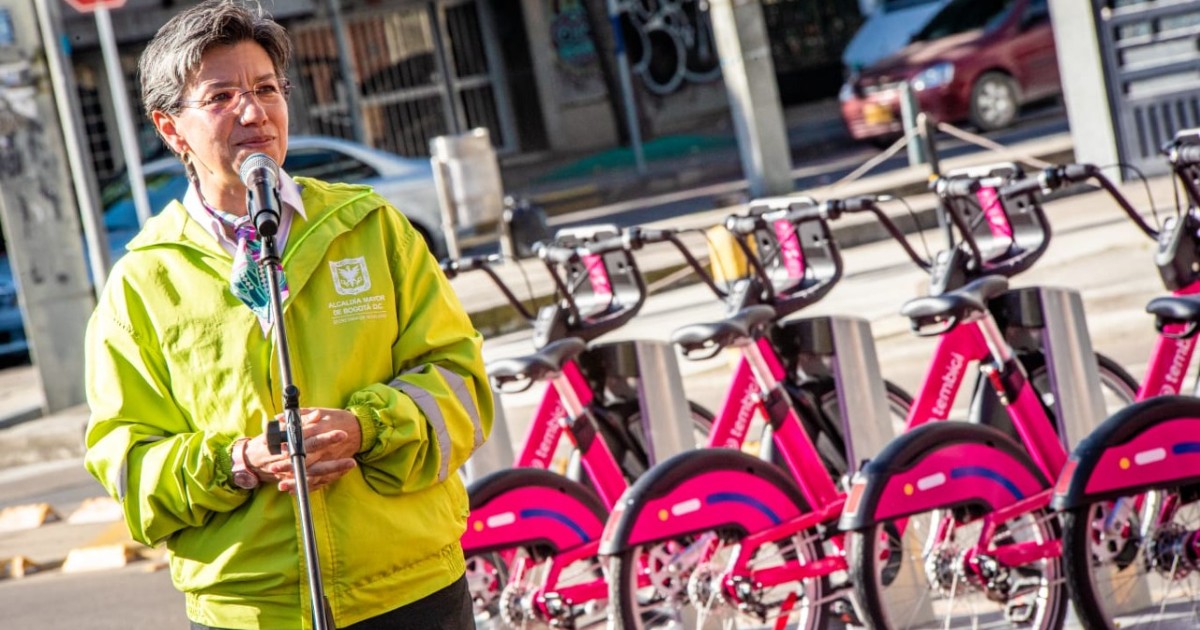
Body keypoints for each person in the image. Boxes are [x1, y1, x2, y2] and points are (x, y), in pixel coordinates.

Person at [82, 1, 492, 628]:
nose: (254, 111)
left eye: (267, 88)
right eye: (221, 96)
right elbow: (128, 464)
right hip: (250, 610)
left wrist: (366, 429)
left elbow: (463, 385)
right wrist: (239, 463)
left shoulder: (372, 229)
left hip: (411, 592)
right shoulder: (142, 283)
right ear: (171, 129)